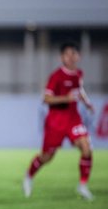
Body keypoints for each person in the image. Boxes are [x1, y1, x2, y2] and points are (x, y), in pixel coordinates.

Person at [22, 42, 95, 200]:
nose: (71, 57)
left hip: (73, 118)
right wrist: (65, 98)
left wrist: (87, 103)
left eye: (73, 54)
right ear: (62, 57)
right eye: (67, 54)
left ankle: (82, 186)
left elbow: (79, 90)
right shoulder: (56, 76)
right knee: (47, 157)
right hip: (56, 121)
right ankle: (29, 176)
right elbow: (46, 98)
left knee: (86, 148)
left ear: (78, 56)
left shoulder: (78, 74)